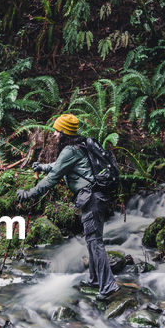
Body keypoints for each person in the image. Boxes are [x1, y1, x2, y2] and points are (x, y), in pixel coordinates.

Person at [16, 114, 119, 298]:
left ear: (64, 133)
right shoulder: (80, 145)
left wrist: (29, 194)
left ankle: (108, 285)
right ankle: (95, 279)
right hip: (97, 197)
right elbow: (59, 166)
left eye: (57, 131)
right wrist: (43, 166)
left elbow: (52, 179)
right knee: (91, 239)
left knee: (95, 242)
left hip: (92, 199)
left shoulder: (70, 150)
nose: (54, 135)